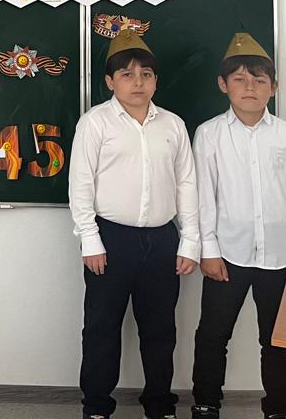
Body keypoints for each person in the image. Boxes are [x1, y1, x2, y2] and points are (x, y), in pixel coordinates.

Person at [69, 29, 199, 419]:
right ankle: (96, 406)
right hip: (110, 239)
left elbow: (186, 182)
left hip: (162, 240)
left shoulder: (173, 125)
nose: (137, 82)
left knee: (160, 330)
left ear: (155, 80)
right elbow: (81, 184)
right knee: (101, 327)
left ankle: (159, 405)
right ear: (110, 81)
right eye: (127, 74)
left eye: (145, 74)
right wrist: (90, 240)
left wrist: (189, 240)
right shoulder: (95, 123)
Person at [191, 33, 286, 419]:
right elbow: (203, 196)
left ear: (273, 87)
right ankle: (206, 403)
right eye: (240, 79)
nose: (250, 88)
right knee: (213, 335)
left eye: (260, 80)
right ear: (223, 85)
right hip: (227, 255)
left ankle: (278, 409)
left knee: (277, 339)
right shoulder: (209, 134)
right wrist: (208, 250)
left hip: (281, 257)